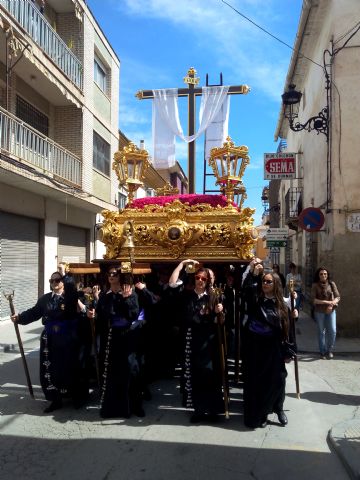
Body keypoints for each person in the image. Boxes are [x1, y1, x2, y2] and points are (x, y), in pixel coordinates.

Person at [11, 270, 85, 413]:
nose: (54, 283)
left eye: (57, 280)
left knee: (71, 368)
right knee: (51, 370)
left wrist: (66, 275)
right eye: (52, 281)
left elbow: (72, 292)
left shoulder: (70, 297)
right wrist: (19, 318)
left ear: (63, 282)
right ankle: (55, 399)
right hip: (50, 339)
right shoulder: (45, 299)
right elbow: (34, 313)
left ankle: (76, 397)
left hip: (68, 338)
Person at [241, 258, 298, 429]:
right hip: (257, 349)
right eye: (263, 281)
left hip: (275, 349)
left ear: (276, 284)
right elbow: (246, 290)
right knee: (260, 383)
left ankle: (279, 409)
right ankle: (263, 413)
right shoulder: (256, 301)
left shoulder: (283, 306)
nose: (265, 284)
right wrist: (252, 272)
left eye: (268, 281)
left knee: (279, 380)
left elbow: (288, 331)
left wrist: (290, 350)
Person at [169, 259, 225, 423]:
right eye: (198, 278)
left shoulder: (215, 296)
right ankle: (199, 410)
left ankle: (214, 410)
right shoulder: (187, 295)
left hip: (209, 342)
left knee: (211, 376)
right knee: (196, 376)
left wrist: (219, 312)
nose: (200, 281)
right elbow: (172, 284)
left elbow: (221, 322)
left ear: (209, 281)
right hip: (192, 341)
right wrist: (182, 264)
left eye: (204, 279)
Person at [88, 266, 142, 418]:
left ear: (120, 277)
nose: (111, 276)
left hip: (126, 337)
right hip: (110, 338)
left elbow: (134, 315)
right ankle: (111, 408)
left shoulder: (130, 294)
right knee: (111, 373)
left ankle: (134, 406)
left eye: (114, 274)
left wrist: (126, 299)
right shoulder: (105, 296)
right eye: (109, 273)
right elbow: (101, 317)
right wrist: (93, 315)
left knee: (130, 371)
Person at [311, 267, 340, 360]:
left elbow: (338, 297)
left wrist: (332, 304)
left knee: (333, 330)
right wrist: (327, 303)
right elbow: (313, 300)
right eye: (321, 274)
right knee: (321, 332)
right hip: (319, 312)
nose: (323, 275)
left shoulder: (332, 284)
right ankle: (322, 351)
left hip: (331, 311)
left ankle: (330, 349)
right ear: (318, 275)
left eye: (325, 274)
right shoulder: (315, 285)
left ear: (327, 275)